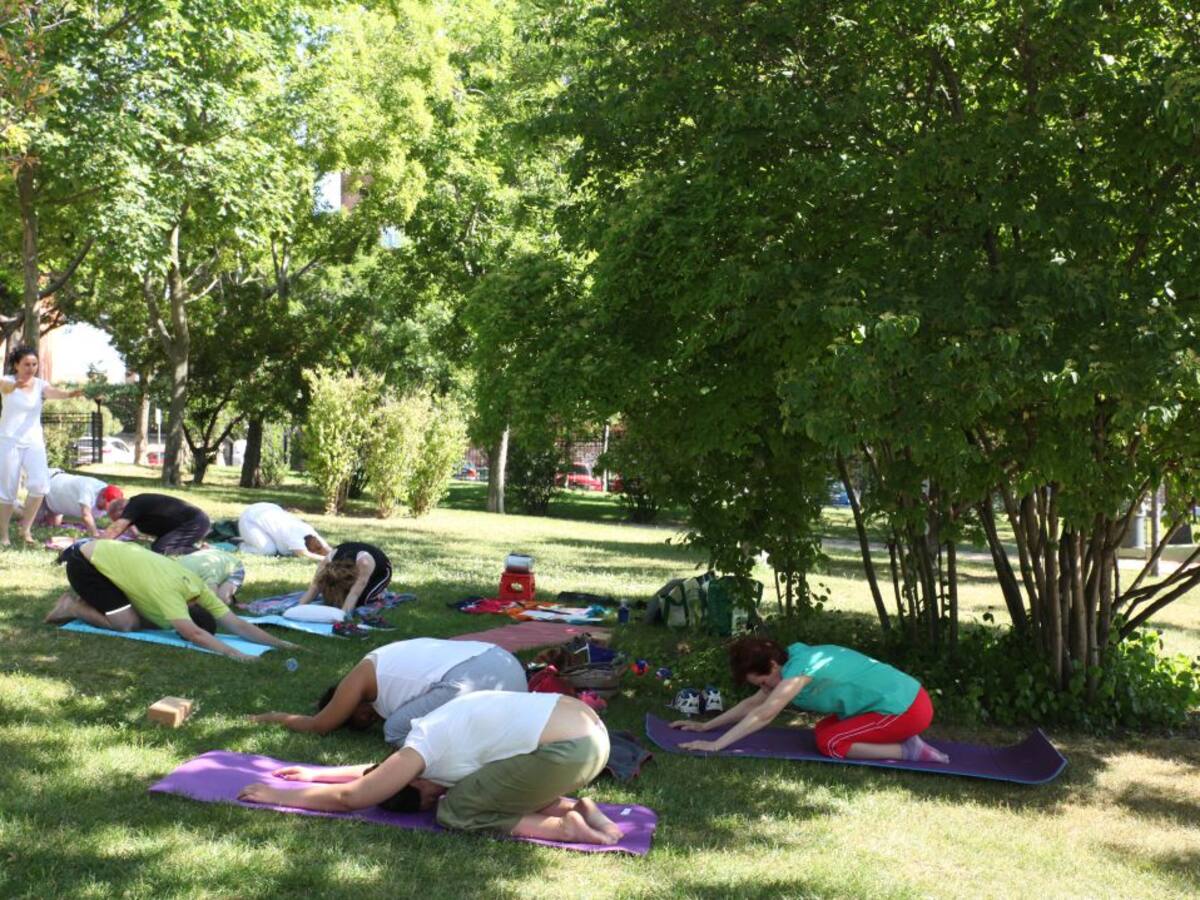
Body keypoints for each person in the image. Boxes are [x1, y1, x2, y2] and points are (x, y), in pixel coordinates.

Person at [239, 691, 620, 845]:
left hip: (570, 749)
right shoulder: (423, 745)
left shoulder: (423, 749)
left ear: (415, 779)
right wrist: (316, 774)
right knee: (489, 790)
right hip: (590, 734)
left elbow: (351, 798)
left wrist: (278, 795)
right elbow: (381, 771)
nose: (438, 793)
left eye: (427, 795)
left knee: (458, 810)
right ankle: (578, 809)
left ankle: (563, 829)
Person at [671, 636, 950, 764]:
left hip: (906, 709)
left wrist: (716, 745)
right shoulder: (791, 662)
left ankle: (909, 750)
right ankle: (903, 741)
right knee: (824, 730)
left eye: (763, 681)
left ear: (772, 665)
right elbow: (753, 704)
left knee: (831, 743)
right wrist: (706, 727)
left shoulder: (799, 672)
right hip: (901, 700)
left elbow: (764, 714)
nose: (765, 688)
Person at [43, 539, 299, 662]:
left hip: (103, 552)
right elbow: (194, 634)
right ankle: (71, 606)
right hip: (84, 563)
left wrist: (283, 644)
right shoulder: (172, 597)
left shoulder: (199, 589)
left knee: (144, 619)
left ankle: (88, 602)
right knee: (126, 624)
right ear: (188, 610)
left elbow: (238, 624)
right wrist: (237, 654)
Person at [249, 638, 527, 744]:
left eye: (357, 717)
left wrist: (273, 717)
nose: (369, 718)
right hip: (507, 665)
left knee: (394, 730)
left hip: (474, 678)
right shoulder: (386, 663)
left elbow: (318, 726)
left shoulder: (356, 679)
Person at [0, 346, 86, 546]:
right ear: (16, 365)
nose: (31, 368)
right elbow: (6, 389)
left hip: (33, 442)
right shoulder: (6, 380)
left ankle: (25, 529)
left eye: (34, 364)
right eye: (26, 364)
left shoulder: (40, 385)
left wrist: (70, 394)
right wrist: (16, 386)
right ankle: (3, 535)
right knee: (8, 490)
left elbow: (54, 392)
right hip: (8, 441)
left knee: (40, 485)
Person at [296, 541, 392, 617]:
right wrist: (298, 607)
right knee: (331, 596)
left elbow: (354, 594)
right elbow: (315, 587)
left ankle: (380, 591)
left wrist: (343, 615)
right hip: (354, 560)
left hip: (381, 572)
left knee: (360, 600)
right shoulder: (328, 561)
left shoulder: (364, 563)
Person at [103, 492, 210, 556]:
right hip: (192, 523)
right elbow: (124, 529)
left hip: (195, 522)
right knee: (157, 546)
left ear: (120, 510)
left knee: (161, 549)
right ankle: (196, 550)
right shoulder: (136, 511)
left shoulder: (134, 504)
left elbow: (116, 528)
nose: (118, 521)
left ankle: (204, 553)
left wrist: (98, 543)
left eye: (117, 518)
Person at [37, 470, 123, 536]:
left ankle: (48, 516)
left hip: (56, 502)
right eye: (107, 506)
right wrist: (95, 535)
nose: (106, 509)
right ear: (103, 496)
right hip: (46, 485)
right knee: (35, 523)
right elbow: (86, 515)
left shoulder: (107, 495)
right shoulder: (88, 488)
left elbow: (120, 518)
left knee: (52, 526)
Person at [238, 501, 329, 560]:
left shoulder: (308, 530)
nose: (318, 549)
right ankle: (241, 545)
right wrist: (326, 559)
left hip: (269, 509)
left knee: (275, 545)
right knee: (268, 551)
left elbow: (327, 548)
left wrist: (332, 555)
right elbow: (304, 554)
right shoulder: (294, 536)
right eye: (316, 550)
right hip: (250, 519)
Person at [176, 547, 245, 604]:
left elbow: (212, 600)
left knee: (221, 599)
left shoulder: (206, 574)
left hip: (234, 566)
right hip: (212, 556)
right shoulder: (176, 569)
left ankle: (232, 599)